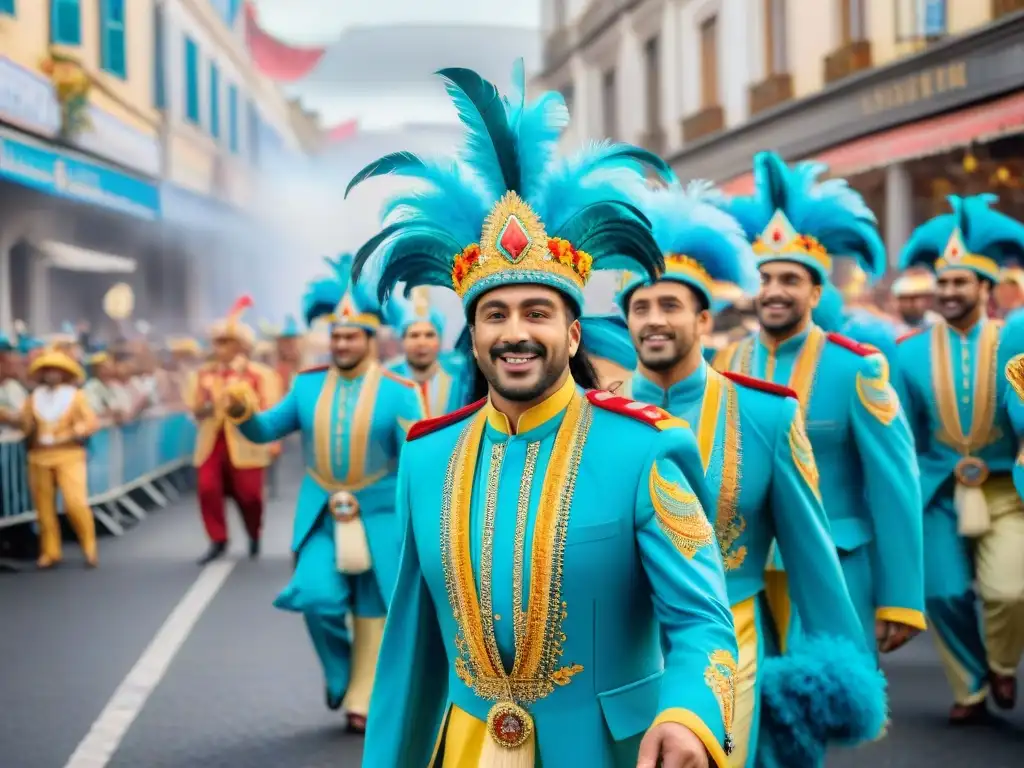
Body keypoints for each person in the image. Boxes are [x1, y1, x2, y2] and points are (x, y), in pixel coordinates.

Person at [348, 61, 736, 768]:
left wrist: (687, 713)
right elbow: (411, 648)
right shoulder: (427, 455)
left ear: (574, 333)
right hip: (466, 751)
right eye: (494, 314)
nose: (515, 332)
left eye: (537, 313)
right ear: (475, 336)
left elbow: (703, 622)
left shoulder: (645, 449)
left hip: (605, 751)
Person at [616, 181, 884, 767]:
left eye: (670, 306)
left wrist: (839, 663)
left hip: (729, 635)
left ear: (704, 318)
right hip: (619, 644)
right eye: (641, 307)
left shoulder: (766, 412)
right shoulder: (595, 414)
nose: (654, 320)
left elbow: (810, 549)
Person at [711, 152, 926, 657]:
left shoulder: (857, 368)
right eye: (765, 279)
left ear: (815, 291)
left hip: (835, 562)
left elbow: (895, 483)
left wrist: (901, 598)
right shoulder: (720, 364)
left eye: (790, 280)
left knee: (822, 706)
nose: (775, 291)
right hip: (741, 570)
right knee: (748, 719)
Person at [225, 255, 425, 732]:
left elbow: (419, 461)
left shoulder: (400, 392)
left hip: (380, 514)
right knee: (316, 597)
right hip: (320, 514)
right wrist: (242, 412)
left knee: (375, 609)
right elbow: (266, 429)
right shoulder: (306, 385)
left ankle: (362, 698)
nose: (342, 343)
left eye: (352, 336)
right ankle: (339, 675)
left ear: (371, 340)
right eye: (336, 336)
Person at [894, 194, 1024, 722]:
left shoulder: (1016, 343)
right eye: (941, 283)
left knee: (1010, 591)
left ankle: (1001, 664)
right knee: (944, 594)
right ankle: (969, 689)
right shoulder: (905, 352)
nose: (946, 292)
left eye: (958, 283)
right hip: (939, 492)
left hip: (1003, 487)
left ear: (986, 289)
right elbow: (901, 435)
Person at [185, 296, 281, 565]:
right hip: (212, 440)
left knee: (250, 496)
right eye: (217, 342)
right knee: (207, 488)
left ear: (241, 346)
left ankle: (254, 533)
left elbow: (271, 409)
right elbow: (194, 409)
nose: (220, 348)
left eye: (226, 342)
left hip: (248, 440)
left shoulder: (261, 375)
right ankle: (218, 539)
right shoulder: (202, 375)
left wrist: (273, 441)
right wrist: (209, 402)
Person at [20, 348, 99, 568]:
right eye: (48, 370)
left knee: (75, 502)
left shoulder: (76, 396)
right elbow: (25, 425)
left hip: (69, 454)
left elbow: (91, 422)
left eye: (56, 370)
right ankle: (50, 551)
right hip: (39, 456)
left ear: (64, 373)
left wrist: (72, 432)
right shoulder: (33, 398)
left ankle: (89, 546)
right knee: (43, 508)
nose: (52, 375)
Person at [387, 286, 469, 416]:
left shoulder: (459, 374)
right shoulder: (388, 377)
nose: (422, 342)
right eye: (414, 335)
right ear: (402, 340)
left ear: (440, 339)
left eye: (429, 335)